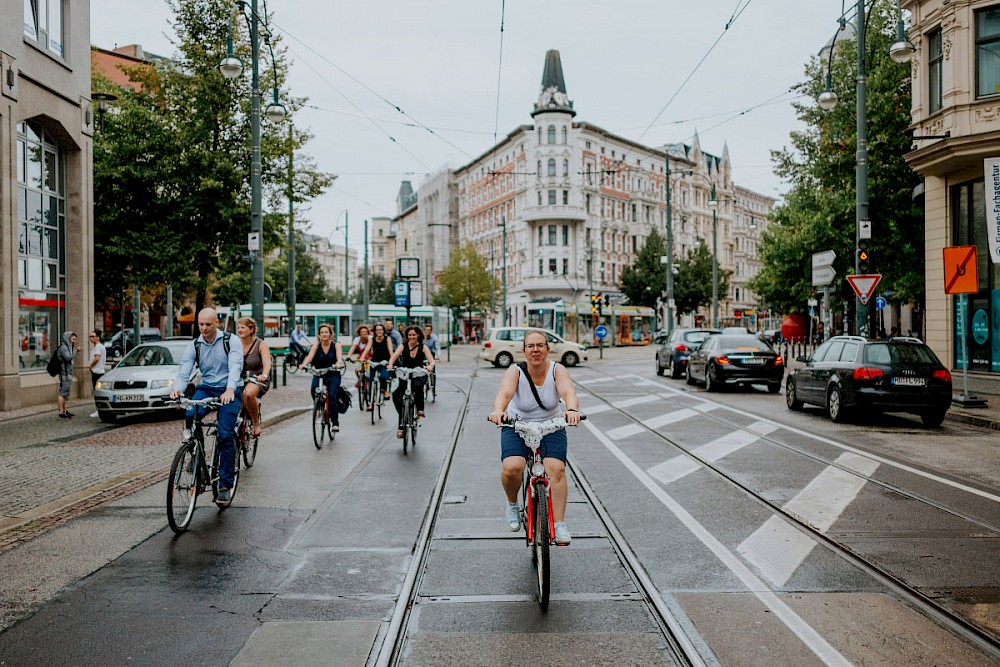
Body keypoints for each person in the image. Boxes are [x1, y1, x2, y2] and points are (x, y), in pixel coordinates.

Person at [487, 329, 581, 546]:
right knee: (512, 467)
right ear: (524, 350)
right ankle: (512, 504)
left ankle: (559, 524)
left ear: (548, 349)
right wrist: (498, 411)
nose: (535, 350)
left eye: (540, 345)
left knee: (556, 469)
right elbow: (505, 393)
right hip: (517, 425)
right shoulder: (515, 371)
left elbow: (568, 392)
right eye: (531, 346)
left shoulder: (558, 370)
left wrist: (573, 409)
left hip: (550, 426)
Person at [170, 308, 244, 505]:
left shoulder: (231, 341)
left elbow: (235, 366)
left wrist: (229, 389)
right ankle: (196, 453)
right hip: (207, 387)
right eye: (201, 324)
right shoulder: (195, 345)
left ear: (216, 323)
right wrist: (178, 389)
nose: (204, 328)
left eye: (208, 324)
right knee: (190, 414)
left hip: (230, 389)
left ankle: (224, 486)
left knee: (225, 433)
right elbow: (185, 369)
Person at [388, 325, 435, 439]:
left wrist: (430, 366)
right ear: (407, 336)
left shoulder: (423, 347)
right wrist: (390, 364)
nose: (412, 337)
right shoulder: (403, 346)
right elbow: (394, 357)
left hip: (418, 373)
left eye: (414, 334)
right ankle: (402, 419)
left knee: (418, 387)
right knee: (396, 395)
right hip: (405, 373)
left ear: (418, 335)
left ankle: (420, 409)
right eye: (409, 335)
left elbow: (432, 361)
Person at [300, 323, 344, 432]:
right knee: (313, 389)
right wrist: (304, 364)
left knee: (332, 396)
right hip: (319, 373)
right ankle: (319, 407)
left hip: (333, 373)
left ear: (330, 334)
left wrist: (338, 363)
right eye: (322, 333)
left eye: (326, 332)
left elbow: (339, 357)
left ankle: (335, 422)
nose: (324, 334)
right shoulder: (316, 347)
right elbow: (309, 357)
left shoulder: (336, 345)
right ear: (319, 335)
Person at [237, 317, 271, 437]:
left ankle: (255, 423)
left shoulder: (261, 344)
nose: (239, 330)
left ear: (251, 329)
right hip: (239, 378)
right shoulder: (235, 344)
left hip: (256, 379)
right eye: (238, 327)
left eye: (243, 327)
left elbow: (267, 362)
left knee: (248, 394)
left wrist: (264, 375)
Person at [361, 323, 394, 404]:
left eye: (381, 330)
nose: (379, 331)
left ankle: (385, 390)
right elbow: (367, 349)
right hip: (374, 361)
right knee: (370, 378)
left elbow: (390, 350)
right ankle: (372, 397)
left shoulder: (387, 339)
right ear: (375, 331)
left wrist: (392, 361)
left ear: (383, 331)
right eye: (377, 330)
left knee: (383, 376)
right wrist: (362, 357)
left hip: (384, 362)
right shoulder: (372, 339)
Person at [55, 331, 81, 418]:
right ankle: (61, 412)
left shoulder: (68, 347)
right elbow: (68, 358)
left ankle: (64, 411)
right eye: (73, 339)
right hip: (64, 374)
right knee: (62, 393)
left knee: (65, 393)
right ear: (68, 338)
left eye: (75, 340)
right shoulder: (63, 348)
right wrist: (76, 351)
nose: (74, 341)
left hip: (67, 373)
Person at [87, 330, 107, 418]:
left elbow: (97, 358)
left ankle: (99, 410)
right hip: (99, 372)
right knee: (98, 392)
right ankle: (100, 409)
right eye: (90, 336)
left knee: (97, 392)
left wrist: (90, 366)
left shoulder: (98, 347)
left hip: (97, 373)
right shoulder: (99, 347)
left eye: (92, 336)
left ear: (97, 337)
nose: (91, 338)